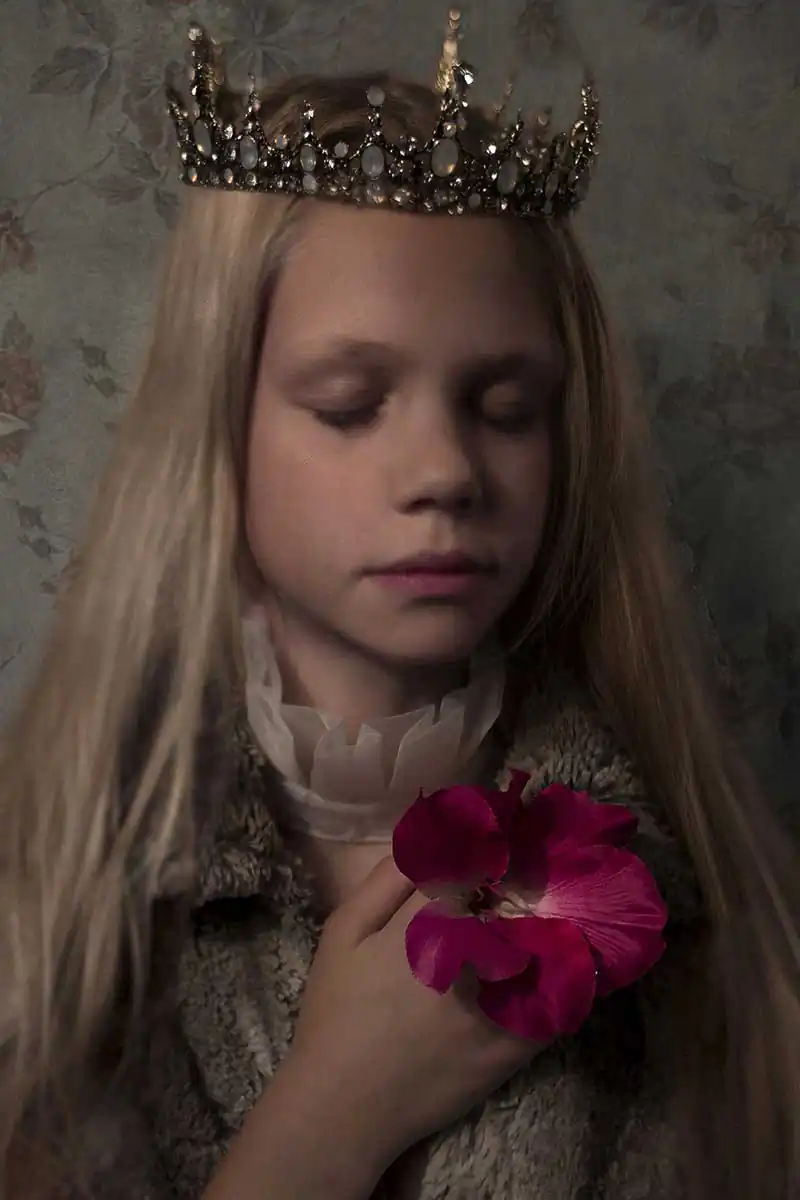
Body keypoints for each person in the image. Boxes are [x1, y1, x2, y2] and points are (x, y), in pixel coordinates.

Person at [1, 13, 798, 1200]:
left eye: (505, 407)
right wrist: (330, 1117)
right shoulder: (40, 914)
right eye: (348, 402)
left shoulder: (722, 934)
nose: (445, 472)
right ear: (216, 427)